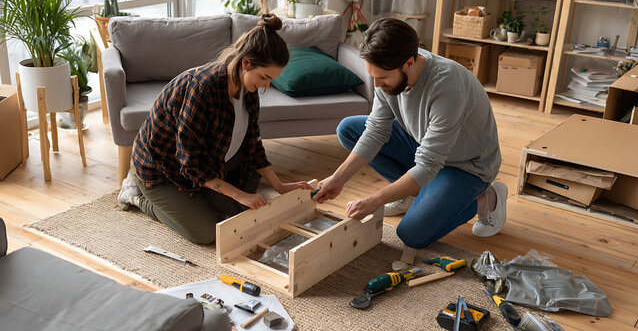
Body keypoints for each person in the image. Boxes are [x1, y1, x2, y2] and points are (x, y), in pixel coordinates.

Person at [313, 18, 507, 249]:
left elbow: (427, 166)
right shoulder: (389, 70)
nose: (376, 85)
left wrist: (375, 199)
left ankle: (489, 199)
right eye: (373, 76)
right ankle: (410, 192)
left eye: (382, 78)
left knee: (412, 234)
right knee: (349, 129)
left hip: (467, 166)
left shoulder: (448, 86)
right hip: (425, 145)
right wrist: (338, 178)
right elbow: (376, 131)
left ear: (409, 62)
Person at [118, 14, 311, 244]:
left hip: (208, 161)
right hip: (163, 169)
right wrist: (239, 194)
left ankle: (197, 198)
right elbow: (190, 162)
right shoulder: (202, 89)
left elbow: (253, 143)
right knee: (206, 233)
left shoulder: (248, 90)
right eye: (264, 77)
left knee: (242, 208)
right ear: (246, 62)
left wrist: (279, 185)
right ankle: (136, 196)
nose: (266, 85)